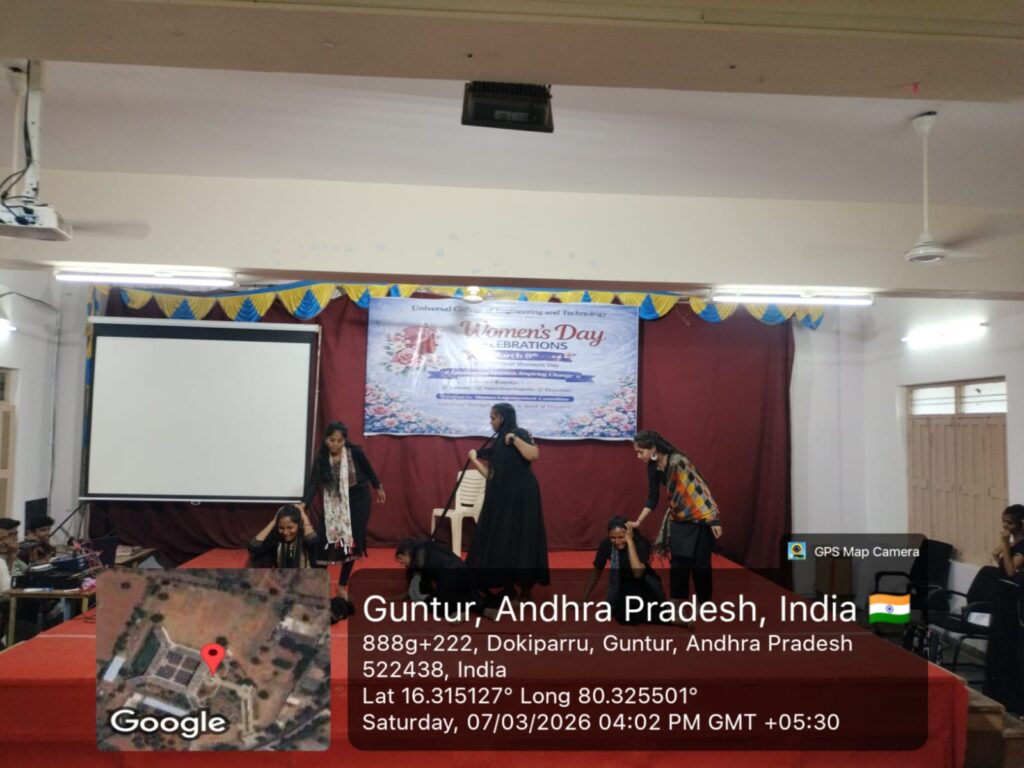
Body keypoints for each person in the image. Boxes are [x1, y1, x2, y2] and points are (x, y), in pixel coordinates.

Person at [465, 403, 549, 600]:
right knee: (505, 538)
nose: (491, 422)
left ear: (502, 418)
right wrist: (475, 460)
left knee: (524, 537)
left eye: (493, 418)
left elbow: (533, 455)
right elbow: (491, 475)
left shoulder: (518, 433)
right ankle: (508, 584)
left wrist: (514, 439)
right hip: (504, 497)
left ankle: (526, 588)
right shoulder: (497, 444)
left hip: (523, 496)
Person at [630, 430, 722, 606]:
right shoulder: (652, 467)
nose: (638, 456)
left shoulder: (678, 461)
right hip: (678, 517)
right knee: (679, 562)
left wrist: (713, 519)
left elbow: (700, 490)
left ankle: (704, 602)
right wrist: (638, 521)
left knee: (701, 563)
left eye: (640, 452)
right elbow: (653, 497)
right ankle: (678, 601)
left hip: (702, 518)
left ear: (653, 448)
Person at [303, 421, 385, 598]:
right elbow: (313, 484)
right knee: (323, 540)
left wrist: (378, 486)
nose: (335, 444)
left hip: (358, 501)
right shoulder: (321, 459)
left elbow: (368, 469)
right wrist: (305, 504)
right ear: (326, 440)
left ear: (345, 441)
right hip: (334, 504)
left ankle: (342, 585)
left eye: (339, 441)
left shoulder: (354, 452)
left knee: (351, 543)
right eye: (332, 440)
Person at [583, 516, 669, 625]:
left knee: (643, 608)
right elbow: (596, 571)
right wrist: (583, 599)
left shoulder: (641, 543)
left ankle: (674, 619)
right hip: (623, 584)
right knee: (622, 614)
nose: (617, 541)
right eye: (613, 538)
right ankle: (669, 618)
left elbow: (638, 574)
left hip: (644, 583)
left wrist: (630, 542)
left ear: (629, 533)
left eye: (621, 537)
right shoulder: (606, 544)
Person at [248, 504, 319, 568]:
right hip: (282, 577)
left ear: (299, 524)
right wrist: (274, 521)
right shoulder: (277, 537)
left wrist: (303, 515)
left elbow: (313, 541)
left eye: (290, 527)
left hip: (306, 577)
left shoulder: (305, 535)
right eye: (281, 528)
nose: (285, 532)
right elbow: (253, 546)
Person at [992, 504, 1024, 578]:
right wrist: (996, 556)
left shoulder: (1022, 545)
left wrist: (1005, 543)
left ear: (1021, 525)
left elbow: (1010, 573)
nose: (1004, 525)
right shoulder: (1013, 543)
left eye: (1010, 523)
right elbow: (1004, 569)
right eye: (1003, 521)